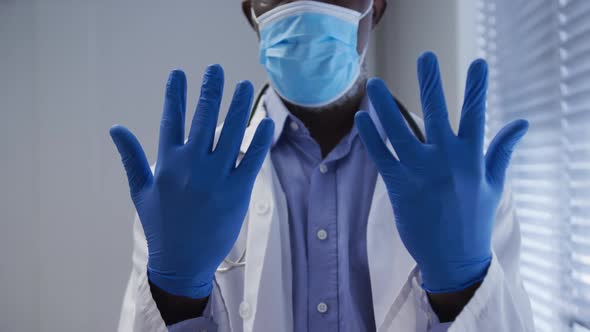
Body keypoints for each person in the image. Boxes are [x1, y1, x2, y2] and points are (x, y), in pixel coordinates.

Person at [111, 1, 534, 331]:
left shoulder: (466, 186)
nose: (308, 6)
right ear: (252, 12)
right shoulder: (177, 189)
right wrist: (176, 295)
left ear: (376, 8)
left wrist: (462, 288)